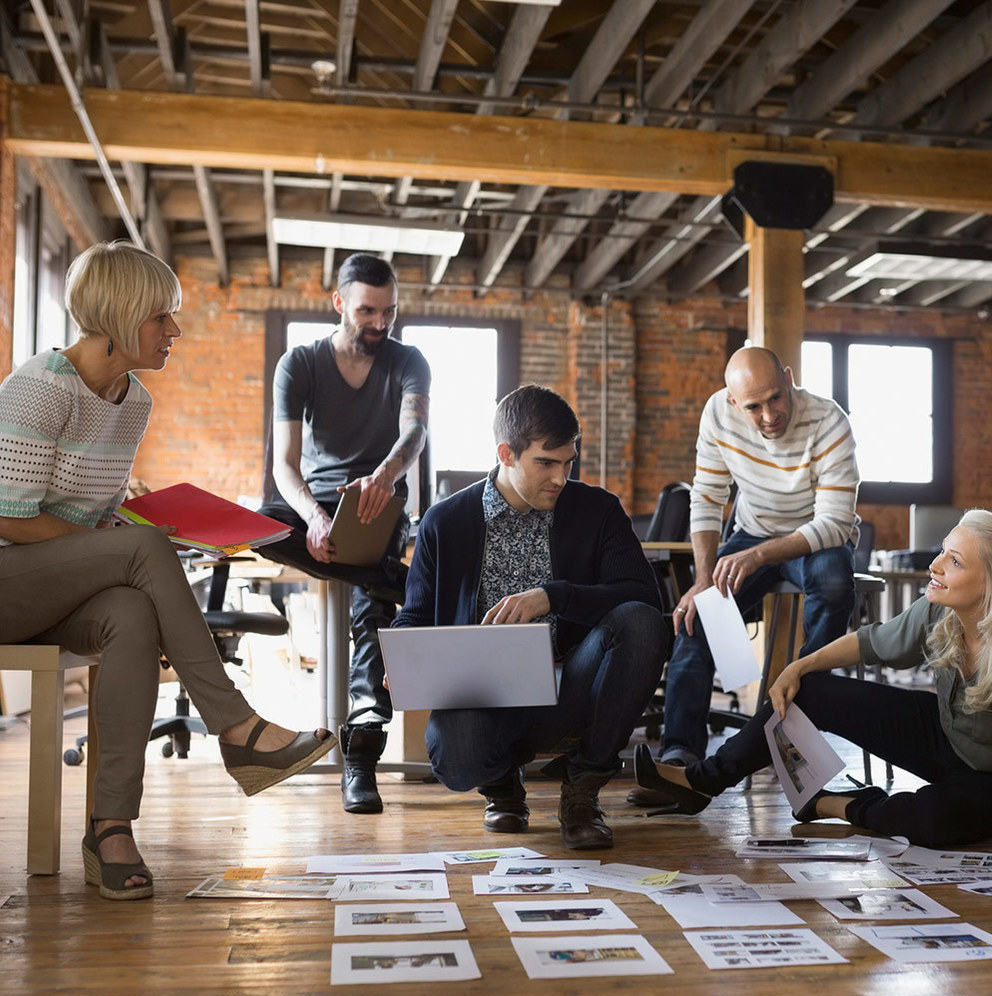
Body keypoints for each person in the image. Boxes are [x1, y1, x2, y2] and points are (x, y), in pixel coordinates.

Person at [0, 241, 335, 901]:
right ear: (121, 319)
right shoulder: (38, 387)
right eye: (162, 318)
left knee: (130, 612)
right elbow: (9, 518)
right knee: (143, 552)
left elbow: (92, 515)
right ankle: (238, 729)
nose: (174, 332)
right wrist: (123, 546)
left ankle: (111, 829)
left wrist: (126, 531)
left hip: (62, 588)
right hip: (9, 583)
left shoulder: (134, 403)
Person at [634, 509, 992, 897]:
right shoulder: (940, 609)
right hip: (947, 735)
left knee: (930, 821)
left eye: (953, 561)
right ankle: (702, 781)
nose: (934, 566)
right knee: (809, 689)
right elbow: (871, 643)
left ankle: (839, 805)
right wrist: (801, 666)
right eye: (942, 551)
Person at [394, 385, 670, 849]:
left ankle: (582, 791)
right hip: (485, 692)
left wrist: (552, 596)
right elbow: (416, 614)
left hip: (574, 683)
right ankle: (502, 787)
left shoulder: (597, 510)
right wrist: (399, 658)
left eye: (568, 462)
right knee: (456, 752)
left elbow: (641, 596)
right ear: (506, 453)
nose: (561, 477)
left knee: (642, 623)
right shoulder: (446, 521)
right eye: (546, 463)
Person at [637, 345, 859, 797]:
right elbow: (707, 497)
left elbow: (835, 522)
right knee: (700, 613)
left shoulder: (829, 420)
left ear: (790, 379)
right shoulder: (718, 414)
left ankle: (801, 731)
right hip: (752, 532)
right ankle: (681, 754)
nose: (769, 415)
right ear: (734, 402)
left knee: (836, 582)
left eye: (776, 398)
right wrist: (702, 582)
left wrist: (760, 557)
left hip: (816, 537)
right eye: (753, 406)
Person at [259, 253, 430, 814]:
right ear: (339, 304)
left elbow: (415, 432)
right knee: (259, 527)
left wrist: (384, 476)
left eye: (390, 311)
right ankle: (392, 578)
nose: (380, 324)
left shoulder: (409, 361)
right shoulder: (299, 363)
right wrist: (312, 515)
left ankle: (360, 757)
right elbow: (285, 465)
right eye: (367, 312)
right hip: (315, 505)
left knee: (369, 616)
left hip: (377, 503)